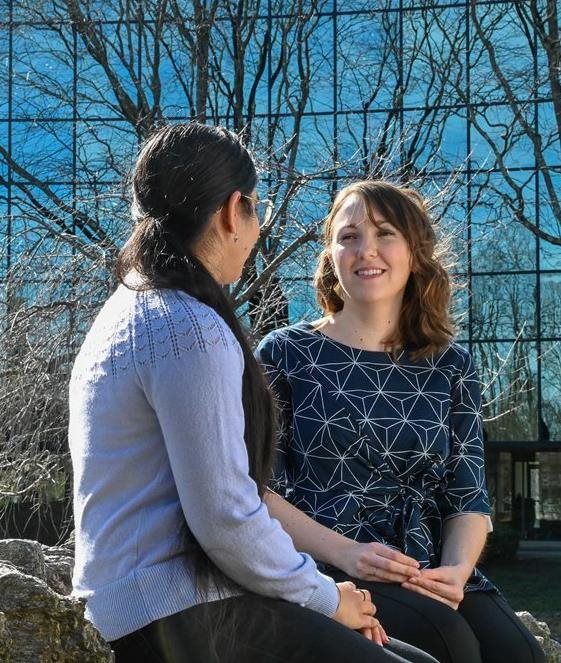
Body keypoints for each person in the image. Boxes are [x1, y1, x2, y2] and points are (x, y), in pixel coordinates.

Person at [68, 125, 437, 663]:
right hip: (173, 611)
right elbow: (225, 516)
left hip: (154, 605)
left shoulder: (129, 309)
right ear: (230, 210)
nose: (257, 226)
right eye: (255, 208)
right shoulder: (187, 327)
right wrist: (326, 596)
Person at [256, 180, 545, 663]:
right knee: (452, 645)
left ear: (416, 252)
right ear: (331, 254)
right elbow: (254, 491)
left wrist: (455, 571)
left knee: (519, 654)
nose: (366, 250)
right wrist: (347, 552)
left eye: (384, 233)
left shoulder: (451, 365)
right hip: (334, 570)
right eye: (349, 236)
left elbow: (468, 497)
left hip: (431, 567)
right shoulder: (286, 354)